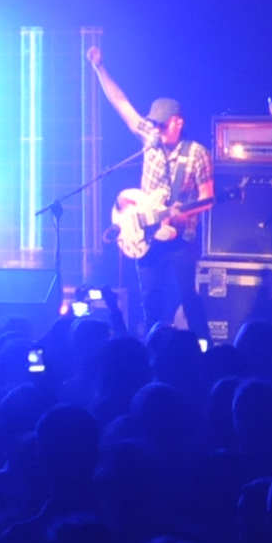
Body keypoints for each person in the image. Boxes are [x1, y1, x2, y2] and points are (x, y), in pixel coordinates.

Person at [88, 45, 213, 334]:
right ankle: (153, 352)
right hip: (146, 236)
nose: (156, 129)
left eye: (162, 124)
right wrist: (99, 68)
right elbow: (121, 104)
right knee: (150, 301)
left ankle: (204, 352)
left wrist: (180, 216)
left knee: (188, 299)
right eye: (153, 124)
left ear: (178, 123)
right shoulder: (149, 139)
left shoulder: (197, 154)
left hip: (181, 239)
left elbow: (207, 199)